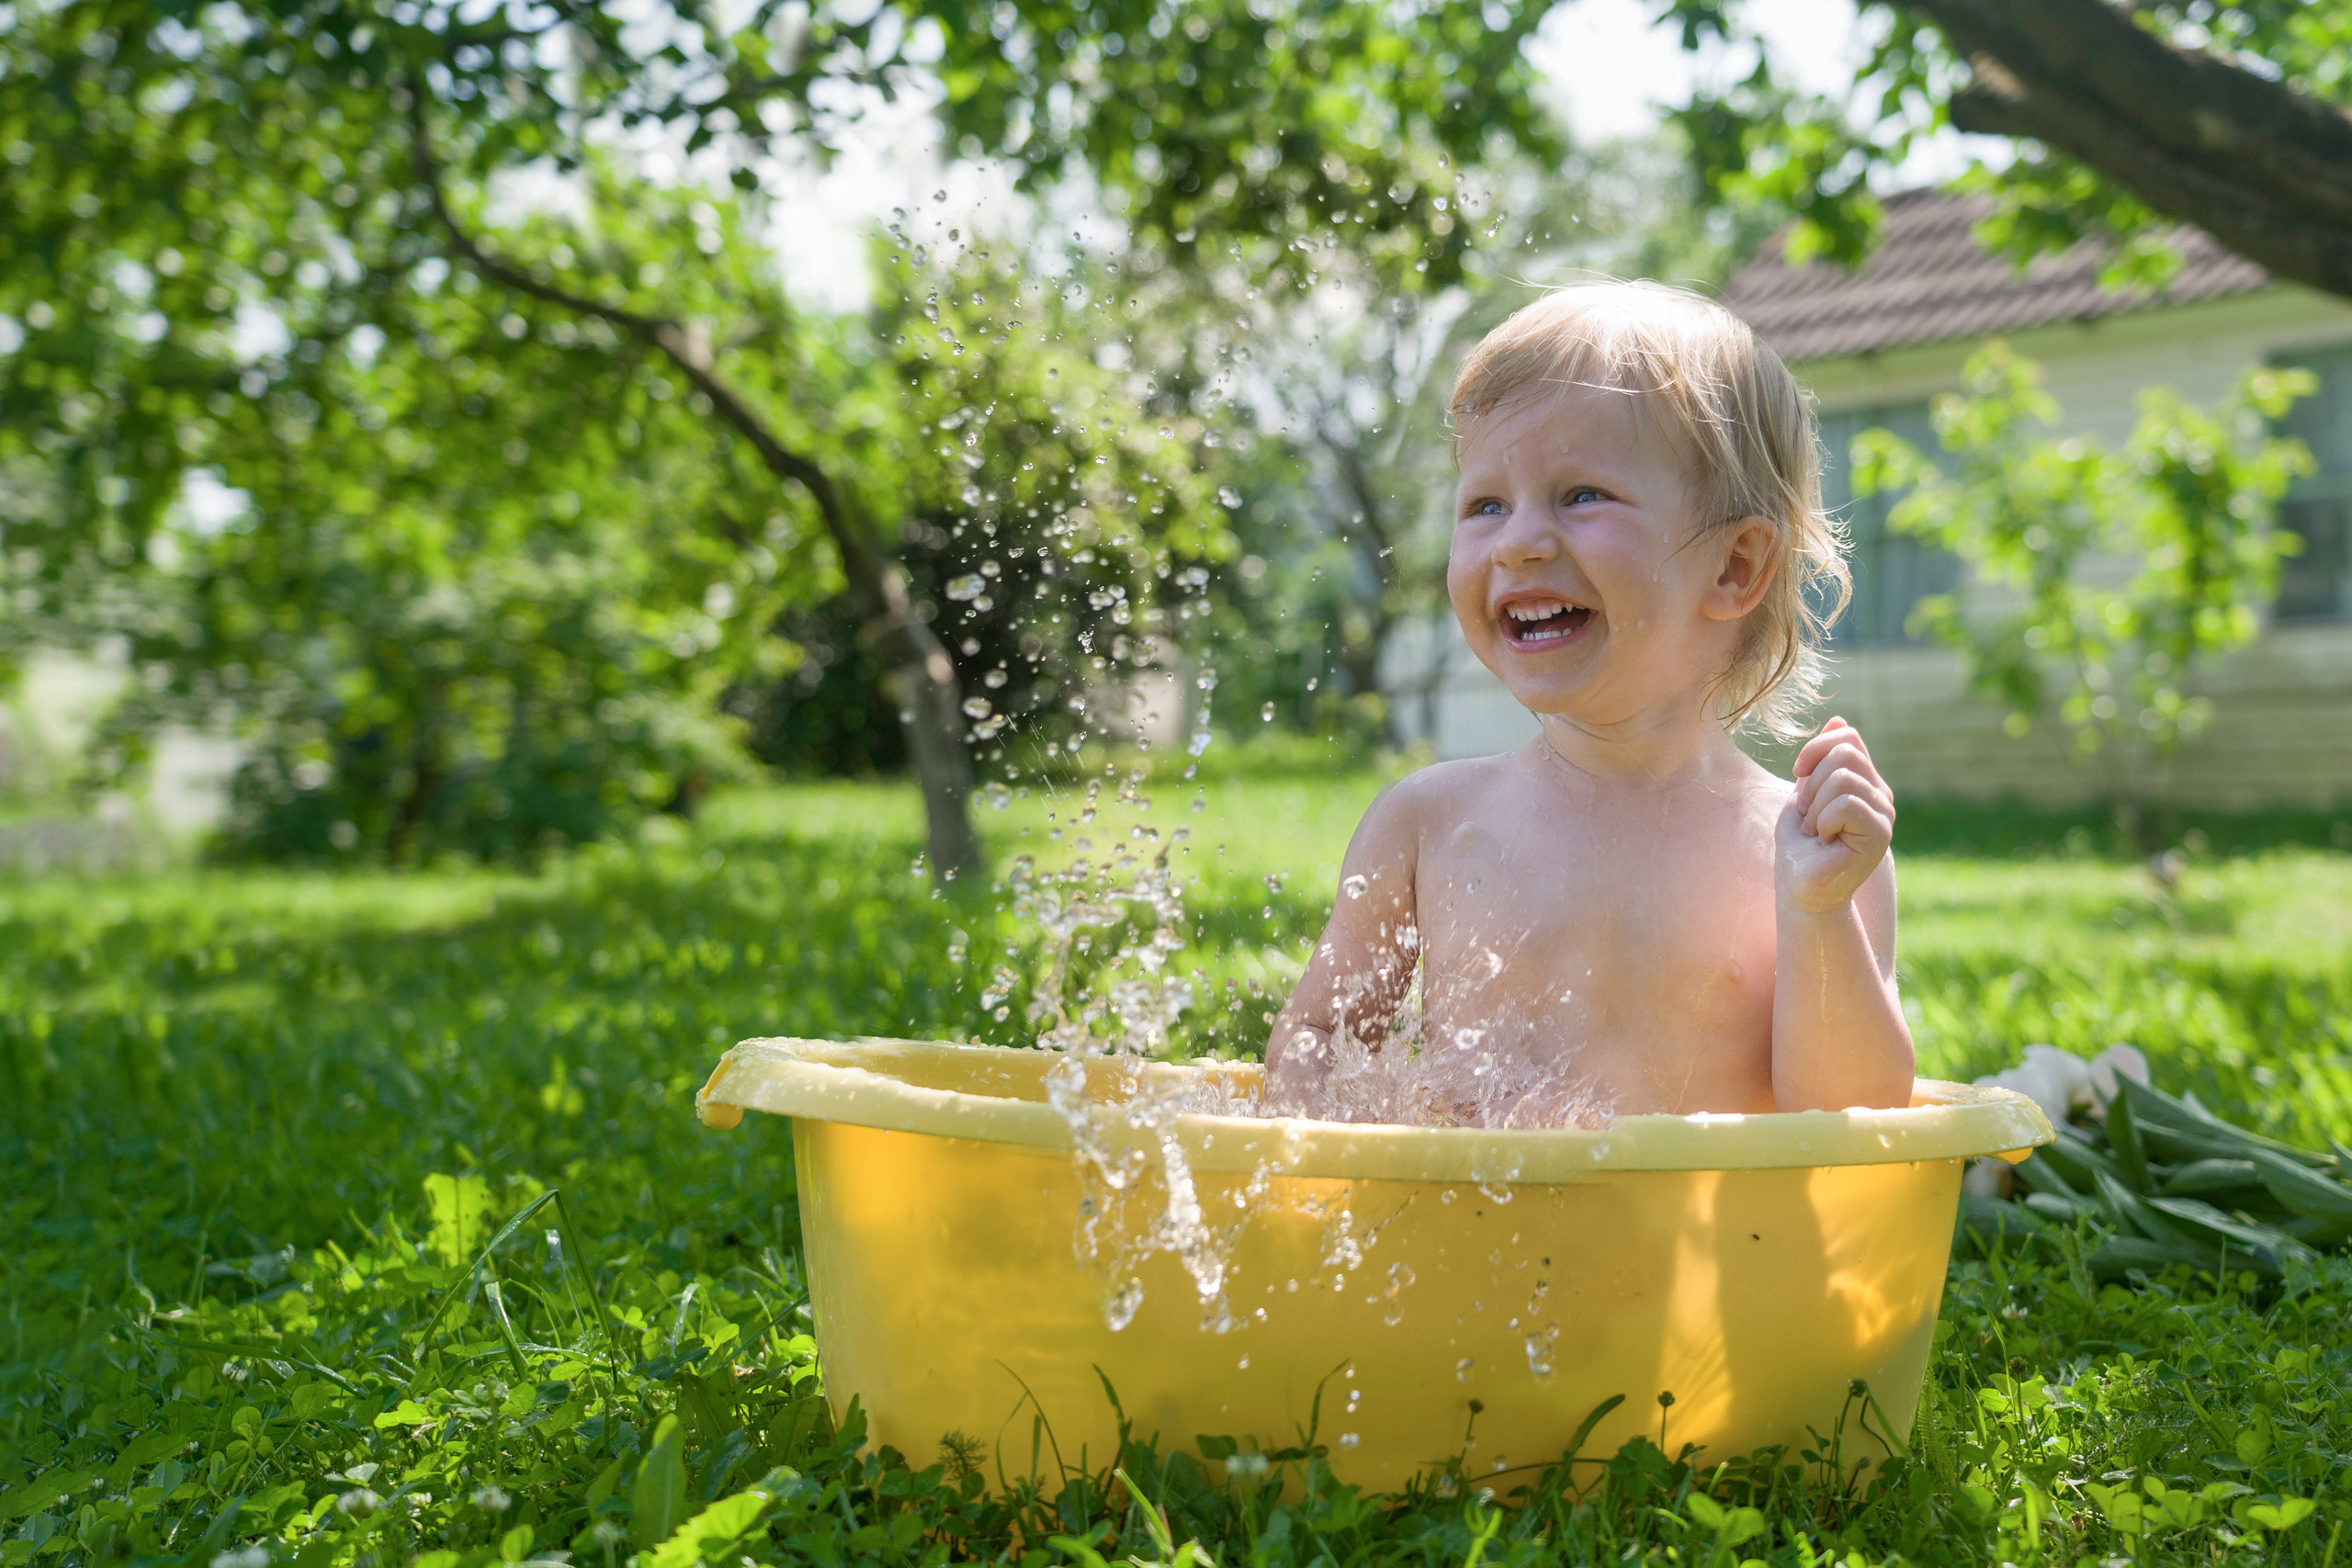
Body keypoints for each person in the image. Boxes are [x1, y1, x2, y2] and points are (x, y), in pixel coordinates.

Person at [1266, 281, 1914, 1125]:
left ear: (1735, 567)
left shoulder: (1801, 848)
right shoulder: (1431, 823)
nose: (1518, 542)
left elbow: (1854, 1118)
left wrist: (1820, 912)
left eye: (1581, 495)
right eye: (1486, 504)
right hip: (1477, 1219)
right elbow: (1317, 1043)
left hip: (1717, 1220)